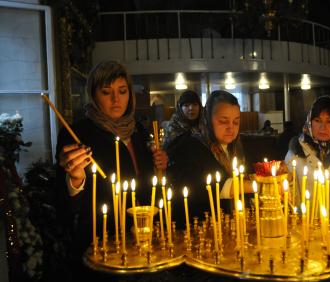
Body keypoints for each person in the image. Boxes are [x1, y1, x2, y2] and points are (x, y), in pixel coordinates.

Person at [55, 61, 168, 279]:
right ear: (93, 95)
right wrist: (76, 179)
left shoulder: (139, 130)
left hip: (142, 237)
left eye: (122, 91)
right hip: (101, 242)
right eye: (107, 92)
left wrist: (159, 164)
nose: (116, 100)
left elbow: (148, 183)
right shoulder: (76, 135)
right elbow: (65, 205)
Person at [168, 90, 252, 225]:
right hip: (198, 227)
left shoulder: (236, 147)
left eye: (236, 122)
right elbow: (203, 188)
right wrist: (257, 185)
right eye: (223, 121)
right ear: (207, 118)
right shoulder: (190, 146)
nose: (231, 128)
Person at [163, 90, 202, 157]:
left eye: (195, 104)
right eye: (186, 105)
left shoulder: (205, 125)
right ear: (180, 108)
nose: (191, 108)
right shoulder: (174, 127)